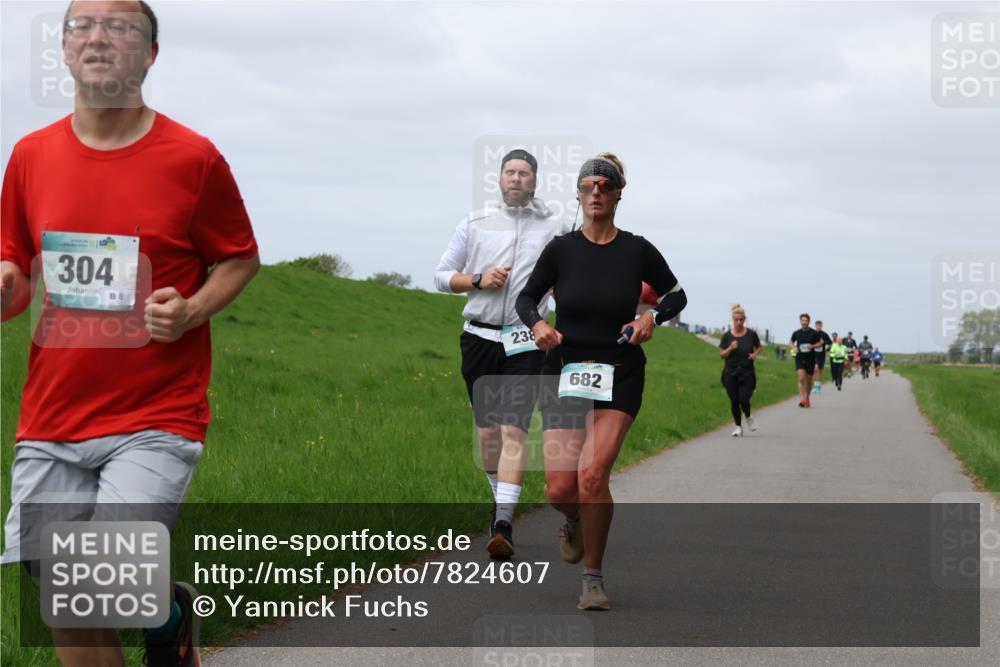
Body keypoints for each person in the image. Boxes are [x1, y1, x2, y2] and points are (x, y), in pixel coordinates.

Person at [1, 2, 260, 665]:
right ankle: (168, 611)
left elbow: (238, 256)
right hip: (52, 414)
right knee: (58, 583)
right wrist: (7, 283)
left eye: (120, 26)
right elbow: (17, 269)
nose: (98, 36)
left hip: (156, 413)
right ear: (62, 49)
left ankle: (163, 610)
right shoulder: (29, 157)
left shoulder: (193, 159)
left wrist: (193, 309)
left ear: (150, 53)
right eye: (81, 25)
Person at [515, 153, 687, 611]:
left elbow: (677, 294)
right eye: (588, 185)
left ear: (617, 195)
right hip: (565, 369)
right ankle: (573, 520)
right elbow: (527, 298)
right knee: (559, 489)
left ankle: (592, 578)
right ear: (578, 192)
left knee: (593, 475)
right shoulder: (561, 249)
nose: (596, 192)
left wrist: (653, 316)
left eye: (604, 186)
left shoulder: (637, 250)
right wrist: (537, 326)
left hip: (620, 369)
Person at [434, 149, 568, 559]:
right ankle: (500, 501)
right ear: (499, 179)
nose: (515, 179)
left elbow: (571, 272)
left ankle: (504, 523)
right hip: (478, 337)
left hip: (527, 340)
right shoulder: (474, 222)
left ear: (534, 180)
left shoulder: (554, 226)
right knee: (489, 434)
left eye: (523, 173)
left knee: (514, 430)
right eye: (509, 172)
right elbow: (441, 276)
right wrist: (477, 279)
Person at [718, 304, 762, 436]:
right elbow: (721, 355)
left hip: (747, 372)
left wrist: (755, 354)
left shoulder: (751, 334)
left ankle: (748, 417)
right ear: (732, 319)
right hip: (730, 372)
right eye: (736, 320)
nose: (738, 322)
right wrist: (730, 348)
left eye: (741, 320)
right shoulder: (727, 336)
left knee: (744, 399)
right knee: (734, 401)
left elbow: (759, 347)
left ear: (744, 319)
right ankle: (738, 426)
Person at [789, 313, 822, 408]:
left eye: (806, 320)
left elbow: (820, 343)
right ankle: (802, 399)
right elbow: (790, 342)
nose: (804, 322)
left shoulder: (814, 333)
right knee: (801, 378)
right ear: (800, 321)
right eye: (802, 320)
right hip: (800, 357)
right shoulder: (796, 333)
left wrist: (812, 346)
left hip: (810, 358)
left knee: (809, 380)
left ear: (809, 321)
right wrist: (794, 347)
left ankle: (807, 397)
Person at [812, 320, 832, 394]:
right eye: (817, 325)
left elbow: (830, 342)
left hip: (821, 354)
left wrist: (824, 342)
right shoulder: (812, 333)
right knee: (815, 369)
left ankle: (819, 385)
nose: (818, 327)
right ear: (815, 326)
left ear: (821, 326)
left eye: (820, 326)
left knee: (820, 370)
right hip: (813, 354)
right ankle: (815, 386)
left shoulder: (824, 334)